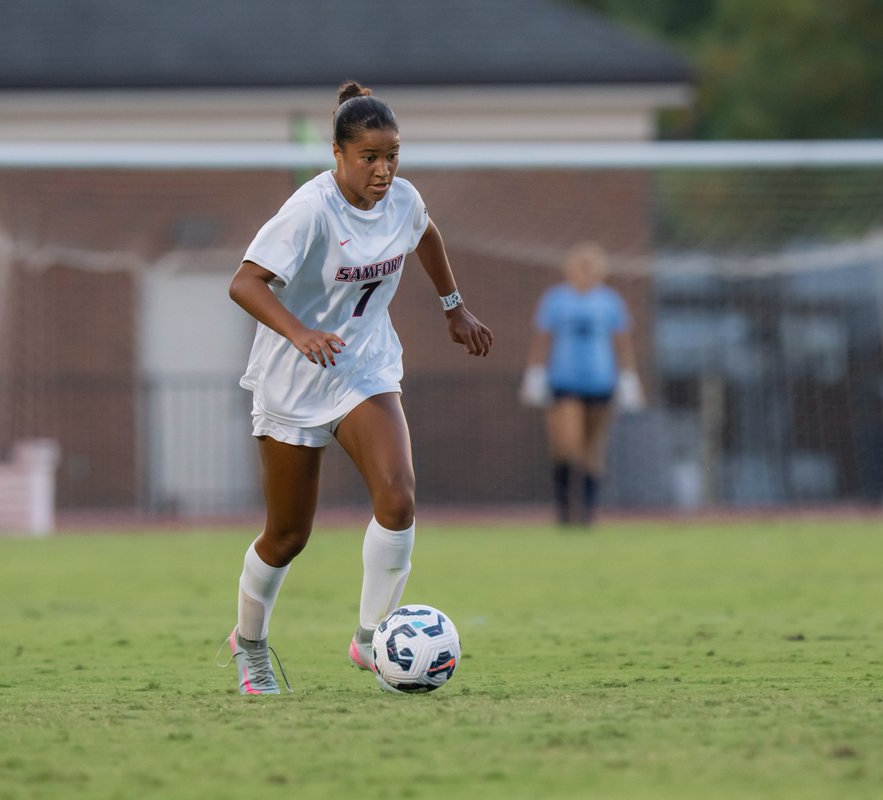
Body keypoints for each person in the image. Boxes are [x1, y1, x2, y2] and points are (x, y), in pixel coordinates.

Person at [223, 81, 493, 695]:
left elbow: (425, 233)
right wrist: (300, 332)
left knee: (397, 497)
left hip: (365, 366)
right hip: (295, 376)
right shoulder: (310, 209)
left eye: (392, 155)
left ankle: (372, 640)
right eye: (369, 157)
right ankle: (252, 644)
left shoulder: (402, 200)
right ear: (339, 155)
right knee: (289, 535)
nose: (383, 169)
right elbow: (244, 283)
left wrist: (454, 307)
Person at [520, 243, 644, 527]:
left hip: (601, 381)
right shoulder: (556, 300)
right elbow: (543, 338)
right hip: (565, 381)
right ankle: (564, 509)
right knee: (567, 445)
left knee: (592, 450)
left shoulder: (610, 301)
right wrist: (535, 374)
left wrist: (628, 378)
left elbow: (622, 342)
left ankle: (586, 513)